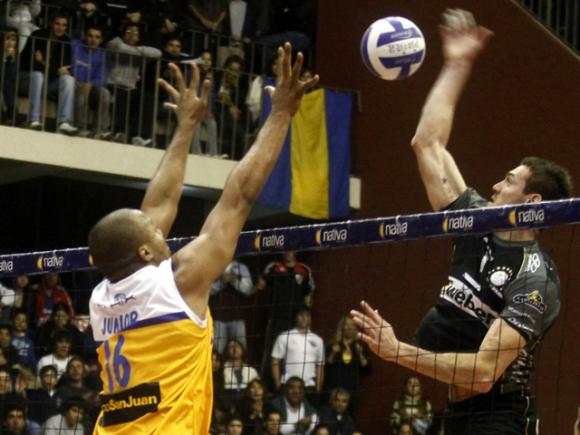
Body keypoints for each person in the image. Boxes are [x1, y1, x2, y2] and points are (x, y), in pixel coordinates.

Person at [349, 9, 574, 435]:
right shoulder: (475, 221)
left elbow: (485, 373)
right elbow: (427, 144)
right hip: (457, 414)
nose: (495, 185)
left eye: (509, 181)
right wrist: (457, 64)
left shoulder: (535, 277)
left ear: (532, 201)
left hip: (500, 418)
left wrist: (397, 352)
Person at [87, 42, 318, 433]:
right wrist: (281, 113)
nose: (161, 230)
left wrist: (185, 127)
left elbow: (158, 203)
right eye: (154, 232)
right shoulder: (179, 281)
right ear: (144, 251)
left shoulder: (101, 299)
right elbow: (238, 198)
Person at [19, 12, 78, 134]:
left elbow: (65, 69)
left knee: (68, 79)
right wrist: (53, 68)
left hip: (47, 84)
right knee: (38, 75)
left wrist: (43, 63)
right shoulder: (38, 35)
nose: (60, 28)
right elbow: (27, 63)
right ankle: (34, 119)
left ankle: (64, 122)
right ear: (51, 23)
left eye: (64, 25)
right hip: (26, 80)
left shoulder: (66, 42)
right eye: (57, 24)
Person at [271, 306, 324, 406]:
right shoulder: (284, 337)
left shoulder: (318, 340)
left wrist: (318, 389)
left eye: (307, 315)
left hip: (309, 387)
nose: (304, 318)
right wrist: (278, 384)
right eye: (301, 315)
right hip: (288, 385)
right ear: (296, 317)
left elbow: (320, 366)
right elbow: (275, 361)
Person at [71, 25, 112, 139]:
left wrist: (91, 84)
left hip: (90, 87)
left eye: (97, 37)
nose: (93, 40)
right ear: (85, 36)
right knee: (81, 93)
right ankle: (79, 128)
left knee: (105, 93)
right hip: (73, 83)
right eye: (90, 36)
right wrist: (75, 79)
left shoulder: (102, 55)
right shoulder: (74, 45)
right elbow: (68, 63)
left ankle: (99, 130)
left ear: (101, 40)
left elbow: (101, 77)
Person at [324, 315, 369, 412]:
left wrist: (360, 354)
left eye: (352, 325)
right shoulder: (332, 344)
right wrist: (333, 353)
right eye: (346, 325)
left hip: (351, 390)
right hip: (333, 389)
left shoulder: (360, 346)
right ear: (341, 327)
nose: (349, 327)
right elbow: (325, 366)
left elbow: (367, 369)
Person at [210, 260, 255, 353]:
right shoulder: (213, 266)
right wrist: (222, 282)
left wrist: (234, 281)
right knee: (218, 351)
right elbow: (208, 291)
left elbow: (248, 290)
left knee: (240, 350)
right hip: (218, 318)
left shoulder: (241, 268)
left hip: (238, 318)